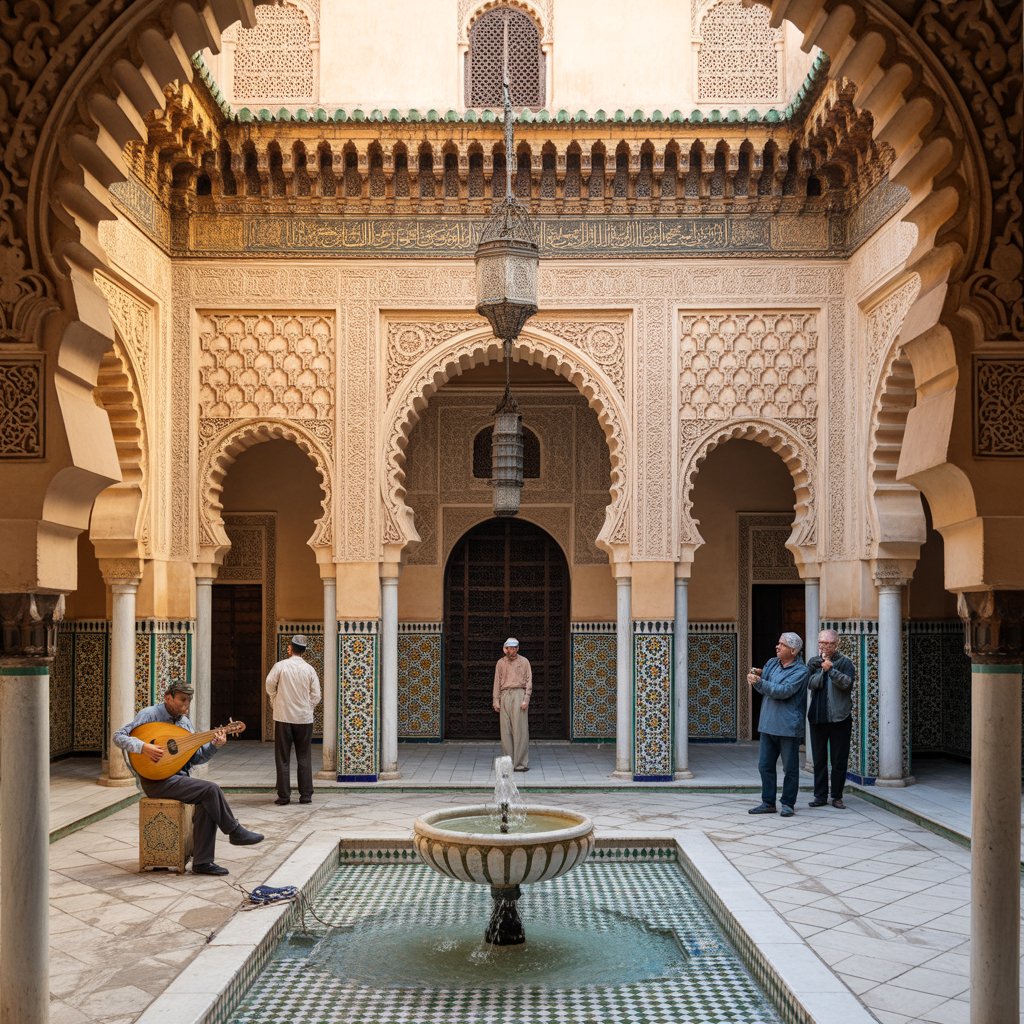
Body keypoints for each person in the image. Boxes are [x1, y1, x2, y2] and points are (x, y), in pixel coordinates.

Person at [113, 681, 263, 876]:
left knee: (207, 801)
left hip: (178, 779)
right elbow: (118, 736)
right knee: (211, 789)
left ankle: (203, 862)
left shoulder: (185, 723)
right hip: (156, 780)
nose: (186, 705)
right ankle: (234, 831)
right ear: (168, 698)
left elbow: (196, 758)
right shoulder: (150, 715)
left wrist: (215, 745)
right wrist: (144, 747)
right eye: (182, 700)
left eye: (189, 701)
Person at [747, 632, 809, 818]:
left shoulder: (801, 671)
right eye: (778, 643)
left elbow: (783, 691)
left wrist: (759, 682)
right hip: (768, 724)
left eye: (781, 645)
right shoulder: (773, 663)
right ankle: (768, 802)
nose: (777, 646)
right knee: (765, 765)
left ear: (793, 650)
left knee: (790, 768)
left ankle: (788, 803)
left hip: (788, 727)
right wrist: (757, 674)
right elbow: (766, 678)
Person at [266, 633, 322, 805]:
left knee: (282, 757)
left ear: (290, 648)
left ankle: (284, 796)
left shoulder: (280, 666)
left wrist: (276, 700)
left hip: (283, 717)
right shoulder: (309, 669)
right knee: (304, 756)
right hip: (304, 719)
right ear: (304, 651)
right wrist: (307, 707)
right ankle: (306, 795)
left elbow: (269, 684)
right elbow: (316, 695)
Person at [806, 628, 856, 809]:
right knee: (819, 760)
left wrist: (831, 669)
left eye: (828, 643)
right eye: (821, 643)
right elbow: (810, 683)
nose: (824, 646)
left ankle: (836, 796)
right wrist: (822, 670)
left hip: (840, 719)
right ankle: (820, 796)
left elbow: (846, 684)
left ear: (836, 644)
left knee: (839, 759)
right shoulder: (813, 663)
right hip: (818, 718)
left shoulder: (845, 663)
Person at [492, 637, 532, 772]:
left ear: (518, 649)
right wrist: (496, 700)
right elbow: (497, 682)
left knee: (520, 730)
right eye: (510, 648)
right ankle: (508, 763)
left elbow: (529, 681)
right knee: (506, 731)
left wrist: (526, 699)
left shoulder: (524, 661)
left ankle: (520, 763)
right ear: (505, 649)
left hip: (519, 694)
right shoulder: (500, 663)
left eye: (515, 648)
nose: (512, 651)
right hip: (505, 695)